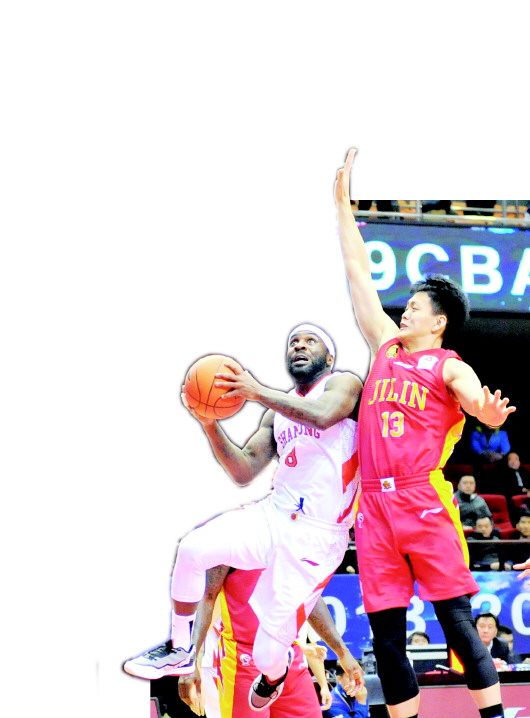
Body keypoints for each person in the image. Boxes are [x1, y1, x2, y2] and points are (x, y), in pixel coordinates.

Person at [334, 148, 516, 718]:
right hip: (374, 506)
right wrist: (342, 208)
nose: (404, 312)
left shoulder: (448, 365)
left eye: (414, 307)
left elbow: (474, 397)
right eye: (405, 306)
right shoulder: (384, 347)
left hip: (422, 498)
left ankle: (494, 715)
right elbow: (358, 274)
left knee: (456, 621)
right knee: (386, 637)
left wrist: (487, 415)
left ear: (438, 321)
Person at [124, 324, 363, 712]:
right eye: (293, 341)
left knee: (268, 655)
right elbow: (244, 469)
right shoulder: (276, 414)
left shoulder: (343, 385)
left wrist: (255, 390)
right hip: (276, 513)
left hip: (318, 536)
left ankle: (275, 674)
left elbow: (322, 416)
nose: (299, 345)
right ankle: (180, 648)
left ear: (328, 357)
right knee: (194, 548)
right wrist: (209, 424)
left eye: (310, 341)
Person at [177, 565, 363, 717]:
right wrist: (191, 662)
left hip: (289, 654)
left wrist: (342, 652)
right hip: (242, 659)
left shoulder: (295, 539)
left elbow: (310, 595)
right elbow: (207, 598)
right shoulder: (231, 541)